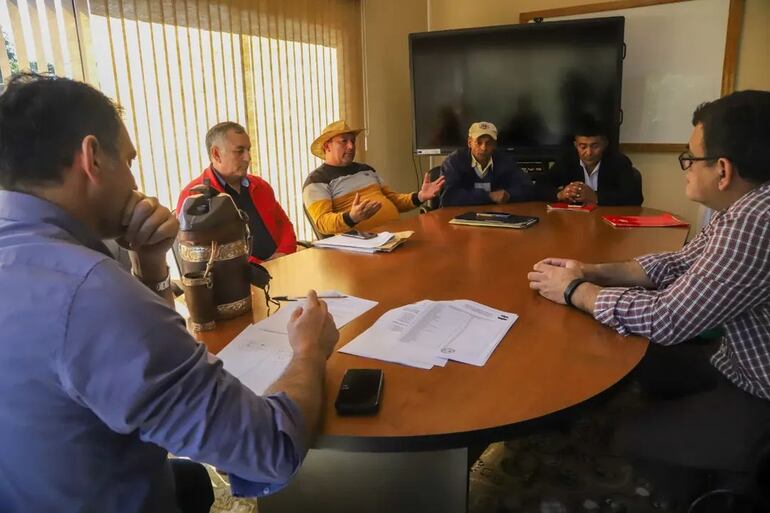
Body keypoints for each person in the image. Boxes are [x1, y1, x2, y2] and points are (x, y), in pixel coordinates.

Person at [0, 74, 339, 513]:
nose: (135, 181)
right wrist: (309, 350)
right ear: (93, 158)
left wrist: (152, 263)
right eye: (128, 160)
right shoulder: (91, 292)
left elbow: (138, 367)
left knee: (190, 480)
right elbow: (270, 449)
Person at [527, 91, 770, 503]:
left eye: (690, 158)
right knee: (642, 359)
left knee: (628, 435)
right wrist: (589, 270)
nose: (686, 168)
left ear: (723, 170)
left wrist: (572, 290)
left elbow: (667, 319)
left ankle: (705, 491)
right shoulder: (746, 207)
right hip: (738, 361)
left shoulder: (755, 222)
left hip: (759, 392)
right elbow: (674, 264)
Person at [177, 122, 296, 263]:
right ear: (216, 154)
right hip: (234, 277)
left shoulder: (261, 186)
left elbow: (283, 224)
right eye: (239, 151)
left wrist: (283, 254)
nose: (248, 158)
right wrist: (260, 267)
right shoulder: (194, 196)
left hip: (280, 266)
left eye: (248, 150)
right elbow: (206, 253)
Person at [303, 120, 445, 235]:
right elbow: (323, 223)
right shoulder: (317, 180)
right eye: (344, 141)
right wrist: (352, 217)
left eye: (353, 141)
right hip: (359, 247)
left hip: (395, 236)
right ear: (327, 146)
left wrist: (420, 196)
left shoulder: (366, 169)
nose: (351, 146)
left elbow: (393, 200)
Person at [538, 118, 643, 206]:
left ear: (604, 144)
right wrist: (560, 194)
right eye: (582, 146)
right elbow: (540, 185)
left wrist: (596, 197)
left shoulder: (619, 162)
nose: (588, 153)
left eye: (595, 146)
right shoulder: (567, 160)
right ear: (576, 145)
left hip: (607, 220)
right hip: (574, 221)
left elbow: (635, 197)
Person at [440, 121, 537, 207]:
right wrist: (489, 196)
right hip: (459, 219)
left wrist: (509, 195)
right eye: (478, 142)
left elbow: (527, 189)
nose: (483, 148)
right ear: (469, 143)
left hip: (498, 217)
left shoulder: (505, 160)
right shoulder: (454, 161)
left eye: (488, 143)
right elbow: (448, 197)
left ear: (494, 145)